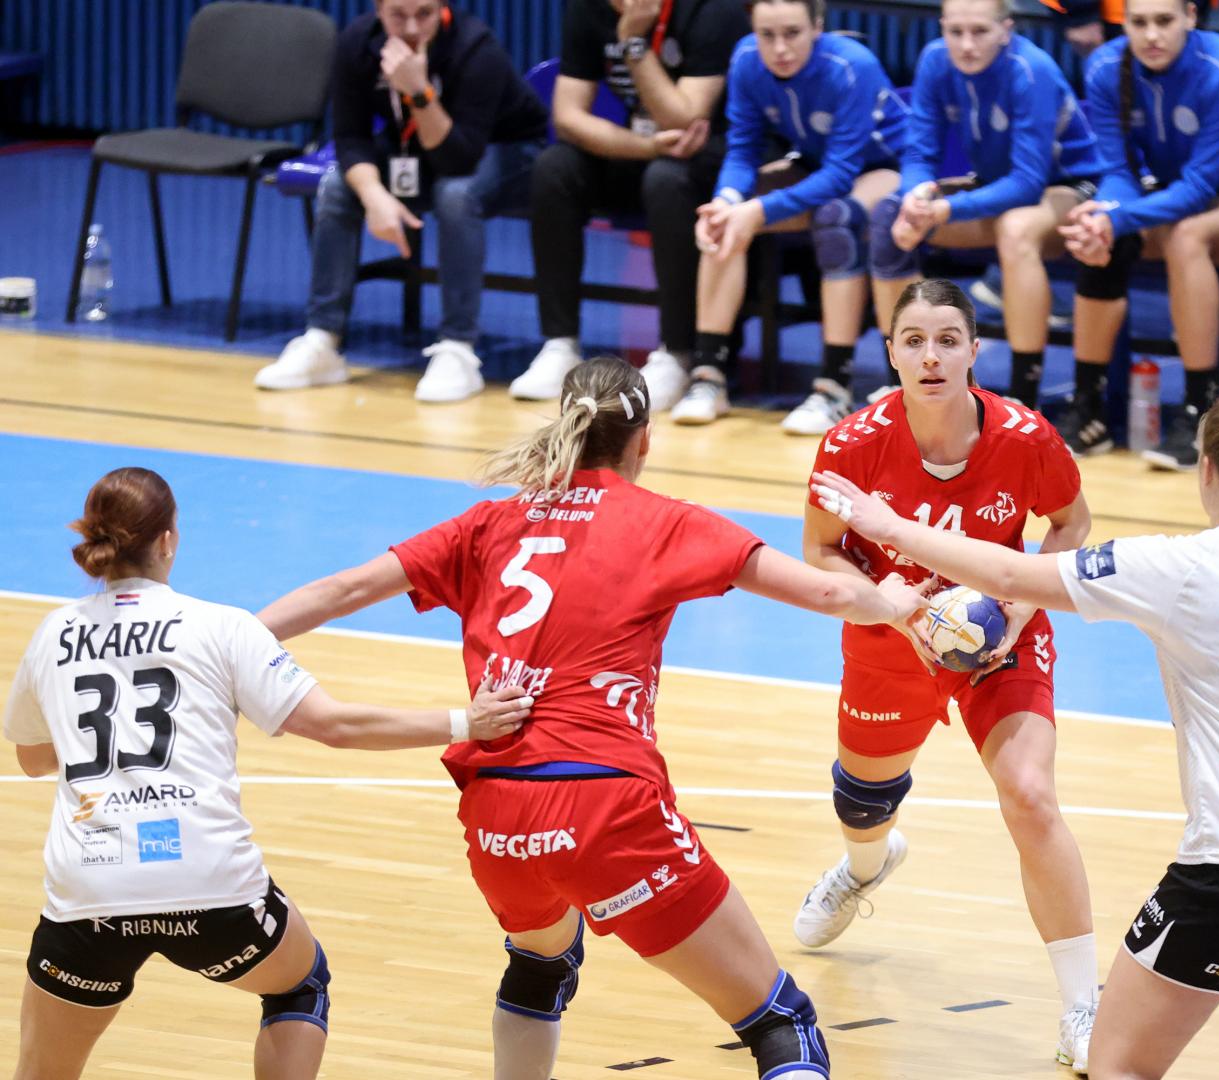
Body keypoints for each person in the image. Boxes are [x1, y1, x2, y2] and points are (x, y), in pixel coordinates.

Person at [256, 356, 925, 1080]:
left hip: (496, 819)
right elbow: (830, 595)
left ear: (564, 427)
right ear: (644, 441)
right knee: (780, 1023)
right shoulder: (665, 521)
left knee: (539, 964)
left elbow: (340, 589)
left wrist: (223, 643)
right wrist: (891, 603)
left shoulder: (487, 522)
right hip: (608, 807)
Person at [810, 318, 1219, 1080]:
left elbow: (1009, 577)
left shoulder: (1177, 568)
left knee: (1116, 1064)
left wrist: (889, 526)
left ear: (1205, 470)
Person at [3, 467, 528, 1080]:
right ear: (168, 540)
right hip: (210, 883)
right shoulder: (223, 626)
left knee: (41, 1072)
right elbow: (336, 726)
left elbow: (32, 759)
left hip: (90, 887)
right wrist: (468, 722)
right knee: (299, 985)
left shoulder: (54, 632)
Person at [794, 280, 1102, 1073]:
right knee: (863, 803)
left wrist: (1020, 610)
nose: (931, 357)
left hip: (1000, 640)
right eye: (914, 341)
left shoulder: (1026, 437)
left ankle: (1084, 1007)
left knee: (1029, 795)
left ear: (974, 351)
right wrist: (889, 606)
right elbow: (820, 549)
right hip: (891, 637)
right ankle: (864, 868)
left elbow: (1070, 523)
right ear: (891, 352)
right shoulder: (850, 444)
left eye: (948, 340)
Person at [254, 0, 547, 403]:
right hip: (420, 150)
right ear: (379, 10)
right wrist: (374, 195)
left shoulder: (475, 48)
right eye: (398, 15)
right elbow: (350, 138)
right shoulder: (357, 43)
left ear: (442, 8)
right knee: (339, 186)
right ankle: (322, 339)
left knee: (455, 195)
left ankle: (457, 348)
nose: (411, 28)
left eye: (424, 14)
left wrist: (418, 92)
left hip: (508, 152)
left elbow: (458, 158)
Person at [1061, 0, 1219, 466]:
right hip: (1173, 194)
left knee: (1184, 235)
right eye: (1139, 23)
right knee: (1101, 237)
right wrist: (1104, 217)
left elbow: (1198, 188)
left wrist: (1116, 217)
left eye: (1164, 21)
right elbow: (1118, 173)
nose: (1151, 35)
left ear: (1190, 18)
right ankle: (1088, 408)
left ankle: (1201, 409)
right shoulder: (1105, 68)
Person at [511, 0, 751, 412]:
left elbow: (683, 119)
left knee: (666, 179)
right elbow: (567, 117)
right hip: (646, 148)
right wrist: (643, 146)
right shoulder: (589, 9)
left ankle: (677, 353)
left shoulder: (712, 10)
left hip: (710, 161)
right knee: (555, 167)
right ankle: (560, 343)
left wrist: (634, 43)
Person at [679, 0, 907, 433]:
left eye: (792, 34)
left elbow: (841, 174)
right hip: (816, 164)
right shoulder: (747, 59)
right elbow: (743, 149)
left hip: (886, 168)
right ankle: (708, 377)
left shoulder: (851, 65)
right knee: (722, 220)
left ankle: (833, 388)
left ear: (817, 27)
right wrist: (728, 200)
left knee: (836, 219)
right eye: (767, 35)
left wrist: (759, 209)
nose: (780, 48)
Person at [870, 0, 1102, 410]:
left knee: (1016, 230)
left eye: (979, 31)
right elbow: (919, 151)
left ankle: (1023, 398)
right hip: (996, 184)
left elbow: (1028, 183)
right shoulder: (935, 59)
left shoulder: (1031, 69)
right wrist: (916, 197)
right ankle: (904, 388)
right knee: (891, 215)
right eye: (955, 32)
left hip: (1068, 186)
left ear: (1006, 29)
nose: (966, 44)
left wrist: (945, 210)